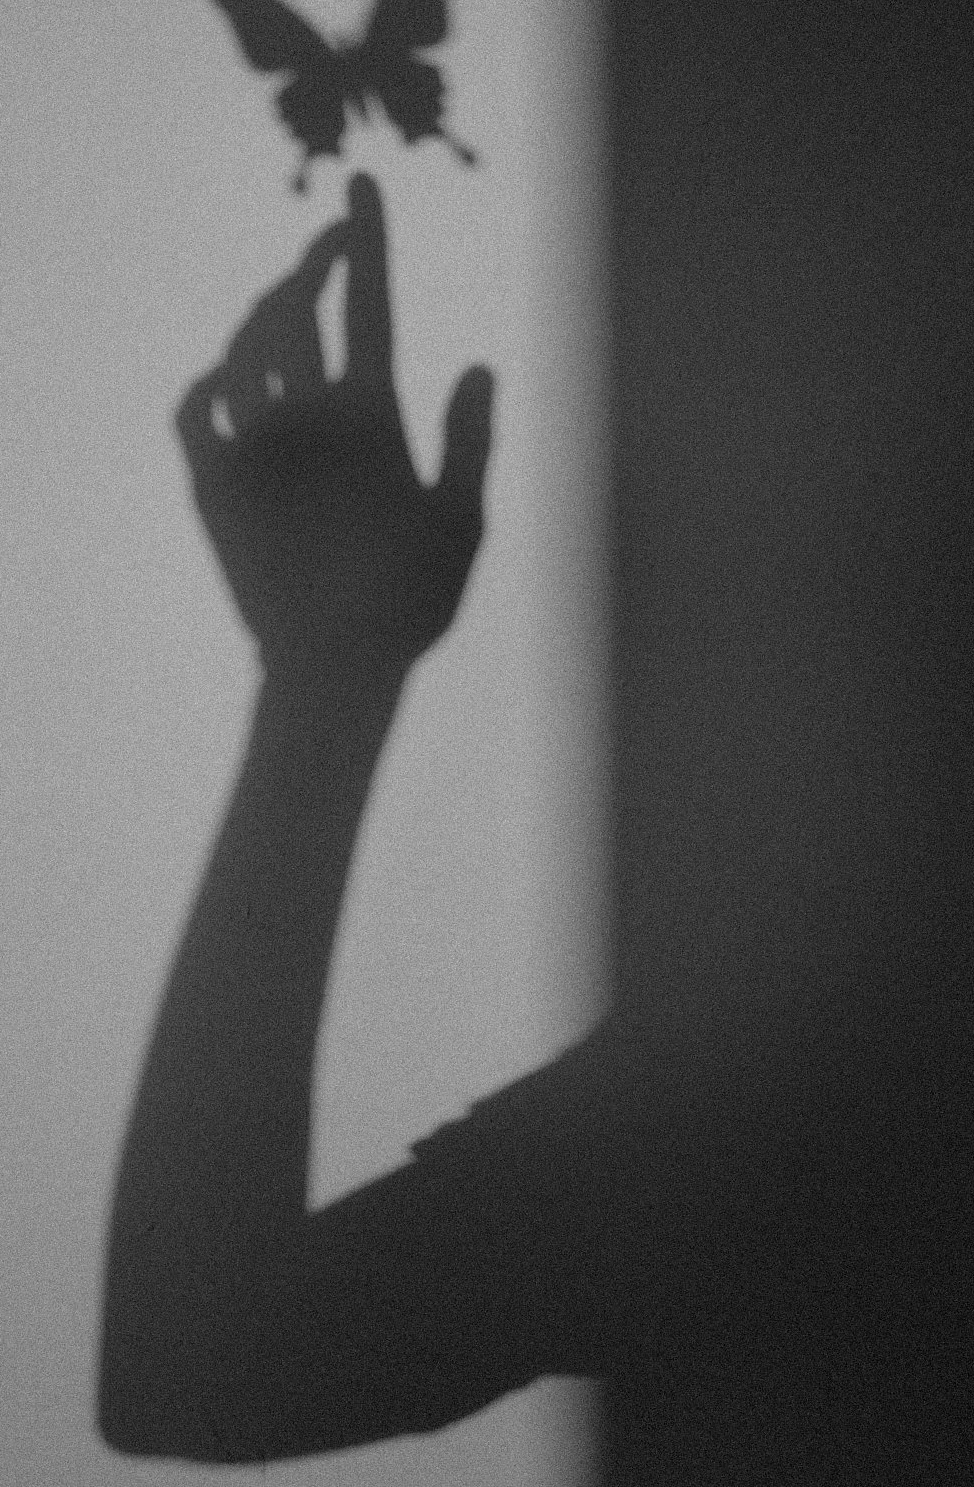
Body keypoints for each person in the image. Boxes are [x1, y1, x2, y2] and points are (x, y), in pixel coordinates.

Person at [98, 173, 614, 1462]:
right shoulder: (806, 1099)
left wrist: (325, 702)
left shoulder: (835, 1091)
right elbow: (201, 1372)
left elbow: (201, 1370)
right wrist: (325, 690)